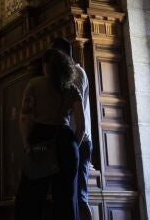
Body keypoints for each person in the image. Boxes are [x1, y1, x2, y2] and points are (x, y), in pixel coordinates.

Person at [14, 48, 87, 220]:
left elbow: (25, 117)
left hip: (41, 140)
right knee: (66, 203)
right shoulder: (72, 89)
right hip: (66, 142)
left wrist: (27, 144)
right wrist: (72, 146)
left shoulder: (34, 84)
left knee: (29, 202)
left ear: (46, 66)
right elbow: (81, 127)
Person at [52, 38, 94, 220]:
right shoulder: (76, 72)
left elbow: (71, 108)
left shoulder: (75, 73)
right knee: (75, 196)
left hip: (79, 139)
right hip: (78, 139)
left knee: (80, 197)